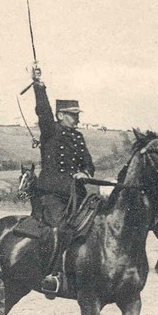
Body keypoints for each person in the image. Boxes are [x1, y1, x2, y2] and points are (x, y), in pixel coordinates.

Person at [30, 67, 95, 295]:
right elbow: (43, 111)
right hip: (52, 193)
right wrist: (39, 86)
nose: (77, 119)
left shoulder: (78, 137)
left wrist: (85, 173)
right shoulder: (50, 131)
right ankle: (53, 275)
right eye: (72, 115)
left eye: (77, 115)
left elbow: (88, 163)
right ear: (60, 116)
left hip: (76, 193)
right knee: (58, 229)